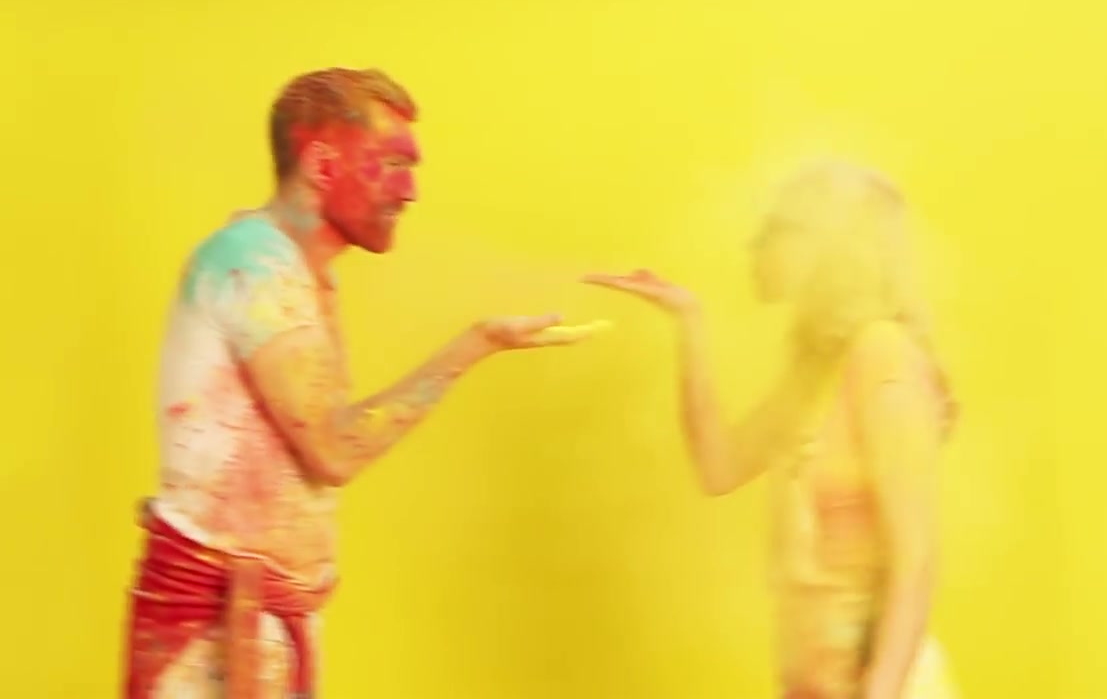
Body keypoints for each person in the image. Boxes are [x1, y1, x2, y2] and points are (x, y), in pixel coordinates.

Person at [123, 68, 587, 698]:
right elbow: (333, 450)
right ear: (321, 164)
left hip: (262, 619)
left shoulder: (301, 271)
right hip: (214, 632)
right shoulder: (254, 263)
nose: (410, 190)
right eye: (394, 163)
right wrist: (475, 345)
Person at [584, 161, 960, 699]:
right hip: (817, 683)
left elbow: (915, 561)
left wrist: (878, 691)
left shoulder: (884, 355)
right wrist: (689, 322)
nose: (755, 248)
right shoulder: (815, 372)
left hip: (883, 686)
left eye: (774, 230)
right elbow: (718, 467)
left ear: (826, 243)